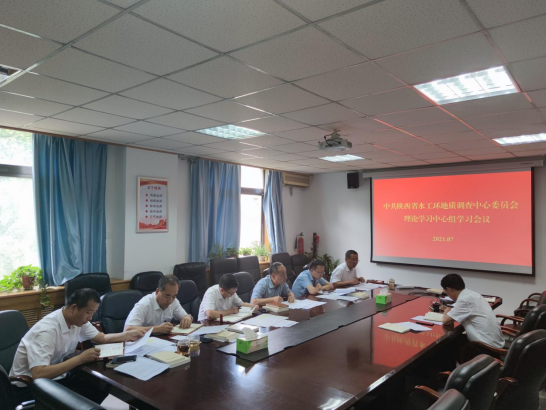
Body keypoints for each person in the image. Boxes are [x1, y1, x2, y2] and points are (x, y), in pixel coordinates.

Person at [10, 288, 144, 404]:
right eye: (88, 312)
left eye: (93, 313)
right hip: (29, 387)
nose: (90, 318)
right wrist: (80, 358)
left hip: (57, 377)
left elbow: (101, 338)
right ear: (74, 308)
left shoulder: (77, 320)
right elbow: (39, 374)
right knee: (85, 400)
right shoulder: (47, 331)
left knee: (99, 389)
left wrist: (127, 335)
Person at [440, 273, 504, 362]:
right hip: (493, 343)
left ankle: (452, 370)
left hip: (485, 349)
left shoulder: (464, 300)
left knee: (445, 347)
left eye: (445, 291)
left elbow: (446, 321)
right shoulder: (472, 294)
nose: (446, 294)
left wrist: (447, 308)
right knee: (456, 339)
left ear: (450, 289)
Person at [125, 274, 192, 334]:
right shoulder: (144, 304)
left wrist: (187, 318)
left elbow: (185, 316)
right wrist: (156, 329)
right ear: (157, 292)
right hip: (141, 341)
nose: (170, 300)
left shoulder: (174, 301)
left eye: (174, 296)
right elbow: (128, 329)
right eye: (167, 296)